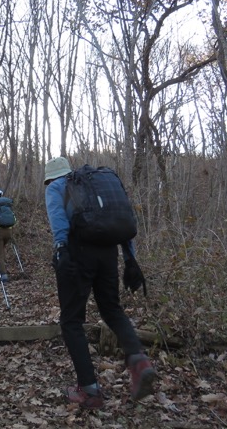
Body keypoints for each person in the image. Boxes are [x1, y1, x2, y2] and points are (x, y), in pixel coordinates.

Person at [44, 156, 157, 409]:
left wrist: (61, 249)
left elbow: (58, 223)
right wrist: (130, 259)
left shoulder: (55, 187)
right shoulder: (91, 186)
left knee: (71, 320)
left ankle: (89, 391)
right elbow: (121, 221)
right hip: (108, 253)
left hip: (77, 254)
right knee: (112, 310)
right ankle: (139, 361)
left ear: (50, 177)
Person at [0, 189, 15, 283]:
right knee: (1, 252)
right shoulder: (7, 204)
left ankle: (3, 275)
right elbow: (14, 218)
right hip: (9, 231)